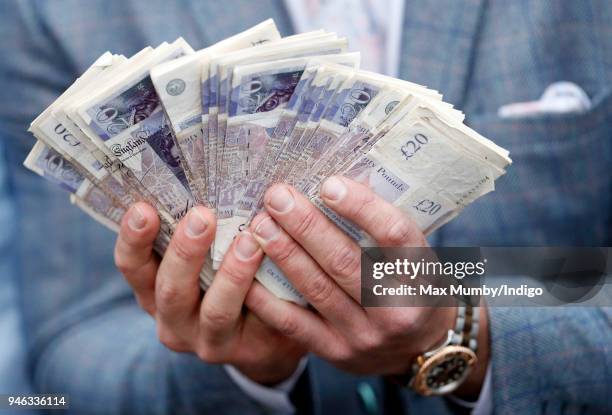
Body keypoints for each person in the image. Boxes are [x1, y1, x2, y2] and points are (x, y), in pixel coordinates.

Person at [0, 1, 610, 414]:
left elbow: (593, 277)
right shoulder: (52, 13)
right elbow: (71, 347)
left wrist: (458, 328)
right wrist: (243, 369)